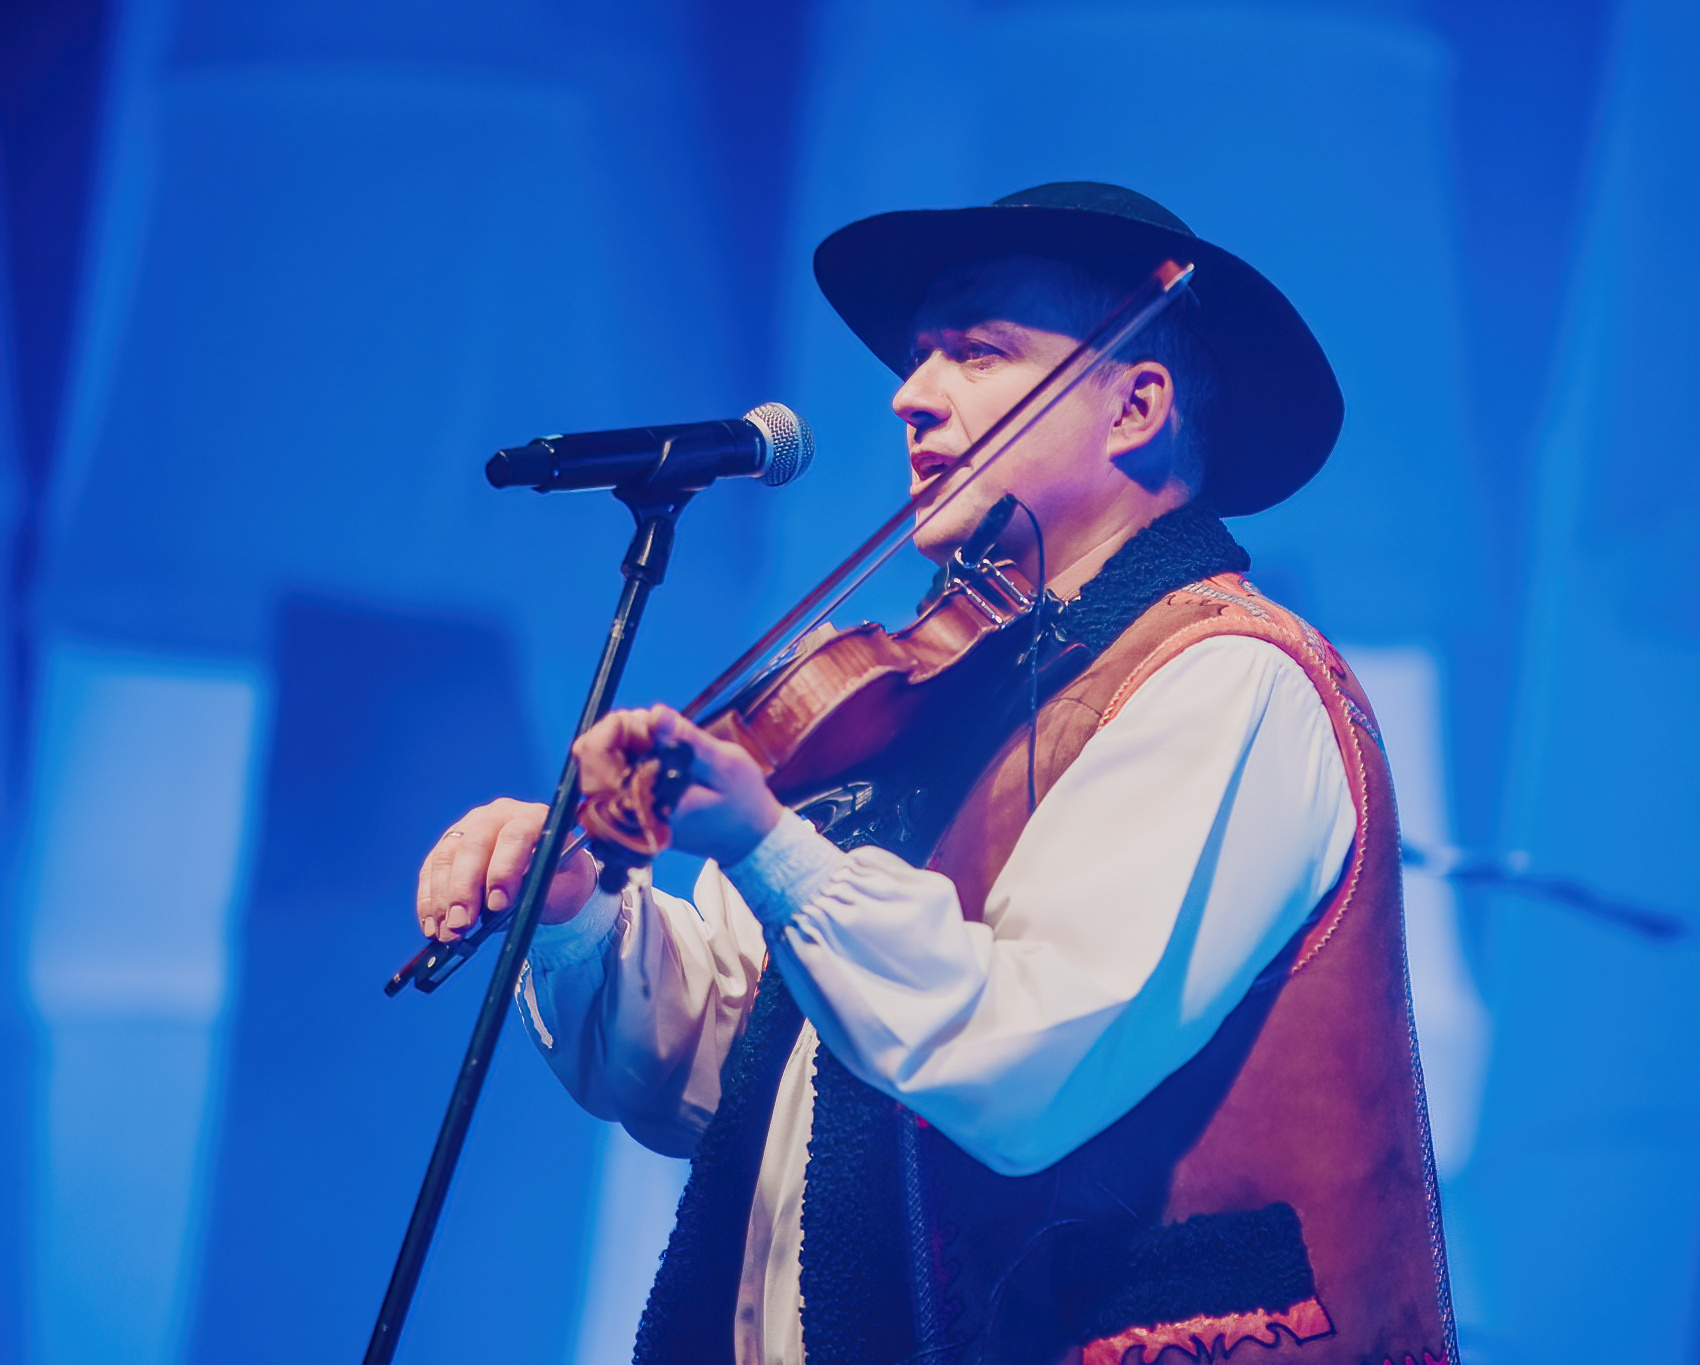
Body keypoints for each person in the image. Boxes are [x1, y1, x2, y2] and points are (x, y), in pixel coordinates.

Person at [416, 183, 1457, 1365]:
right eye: (917, 356)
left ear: (1135, 405)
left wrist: (766, 847)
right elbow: (726, 1080)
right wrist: (577, 918)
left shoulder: (1227, 679)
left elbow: (1020, 1059)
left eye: (976, 350)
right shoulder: (919, 698)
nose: (909, 394)